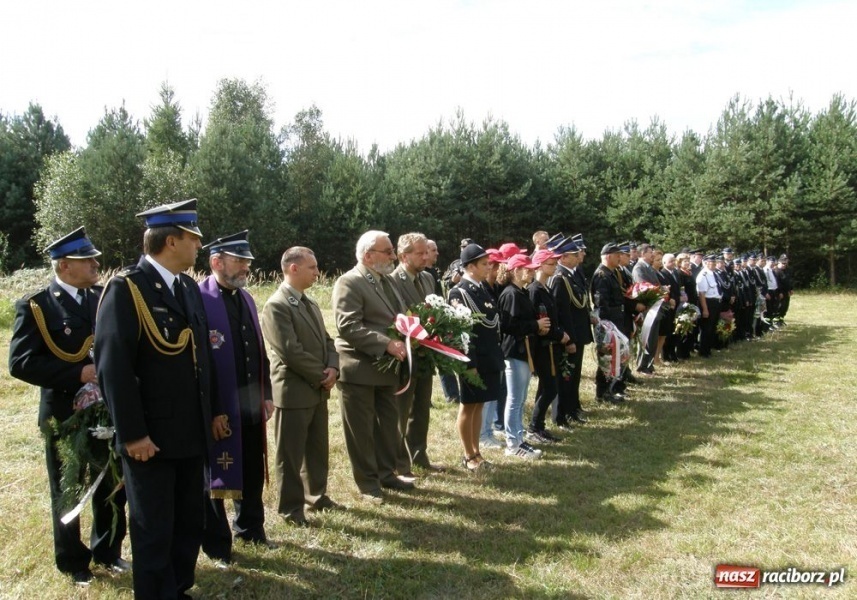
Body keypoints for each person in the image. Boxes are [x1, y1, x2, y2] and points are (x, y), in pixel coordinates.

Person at [95, 199, 226, 598]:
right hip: (150, 438)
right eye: (194, 239)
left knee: (189, 520)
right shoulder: (127, 289)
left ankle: (179, 587)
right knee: (154, 526)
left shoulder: (186, 286)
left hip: (190, 430)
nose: (199, 248)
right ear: (172, 241)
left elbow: (202, 356)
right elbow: (113, 368)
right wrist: (133, 434)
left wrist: (215, 410)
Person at [9, 227, 128, 586]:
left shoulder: (101, 297)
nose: (96, 264)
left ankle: (108, 550)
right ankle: (73, 562)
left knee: (111, 482)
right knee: (68, 488)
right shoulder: (38, 305)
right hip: (64, 415)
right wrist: (77, 374)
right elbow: (21, 363)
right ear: (63, 266)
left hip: (106, 410)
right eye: (86, 260)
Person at [198, 231, 273, 560]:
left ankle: (251, 529)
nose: (246, 267)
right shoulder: (200, 299)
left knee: (252, 469)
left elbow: (259, 352)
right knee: (215, 478)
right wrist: (212, 410)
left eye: (247, 261)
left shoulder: (247, 298)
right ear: (217, 262)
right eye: (239, 260)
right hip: (219, 408)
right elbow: (199, 364)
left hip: (250, 403)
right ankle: (217, 546)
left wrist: (266, 393)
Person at [261, 246, 343, 525]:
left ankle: (316, 496)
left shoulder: (308, 302)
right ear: (293, 268)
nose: (317, 273)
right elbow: (289, 352)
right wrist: (322, 375)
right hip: (294, 391)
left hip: (317, 389)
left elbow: (328, 341)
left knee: (317, 449)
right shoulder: (277, 305)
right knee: (291, 455)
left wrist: (333, 367)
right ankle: (290, 509)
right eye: (312, 268)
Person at [333, 230, 412, 504]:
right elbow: (348, 326)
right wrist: (386, 343)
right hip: (360, 368)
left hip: (386, 369)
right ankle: (368, 483)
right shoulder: (350, 282)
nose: (392, 256)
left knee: (388, 425)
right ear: (368, 256)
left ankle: (386, 474)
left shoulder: (386, 281)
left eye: (391, 251)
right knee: (361, 431)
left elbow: (399, 317)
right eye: (387, 251)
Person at [390, 233, 445, 475]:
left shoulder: (427, 279)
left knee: (422, 408)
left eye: (426, 252)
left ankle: (419, 455)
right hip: (405, 354)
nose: (426, 257)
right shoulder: (392, 281)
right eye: (420, 253)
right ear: (403, 256)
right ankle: (397, 463)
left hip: (426, 354)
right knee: (401, 411)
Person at [448, 243, 504, 471]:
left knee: (479, 405)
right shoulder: (459, 292)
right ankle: (468, 455)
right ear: (470, 267)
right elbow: (460, 331)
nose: (488, 267)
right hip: (473, 359)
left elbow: (491, 322)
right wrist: (469, 362)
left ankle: (476, 451)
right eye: (484, 264)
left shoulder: (482, 288)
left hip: (489, 354)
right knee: (468, 405)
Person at [499, 253, 549, 459]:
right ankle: (512, 443)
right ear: (515, 271)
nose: (531, 271)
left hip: (524, 350)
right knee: (515, 399)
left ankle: (519, 438)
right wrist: (534, 325)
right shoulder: (511, 294)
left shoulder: (520, 292)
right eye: (527, 268)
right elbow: (508, 326)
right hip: (515, 351)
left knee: (520, 399)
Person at [548, 238, 591, 427]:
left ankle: (572, 409)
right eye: (574, 255)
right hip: (568, 336)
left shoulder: (572, 275)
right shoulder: (559, 278)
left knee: (574, 376)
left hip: (578, 333)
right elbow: (561, 313)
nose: (578, 257)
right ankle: (560, 415)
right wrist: (568, 339)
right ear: (563, 258)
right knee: (565, 377)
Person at [527, 248, 567, 442]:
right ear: (540, 265)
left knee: (547, 387)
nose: (555, 267)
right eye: (551, 264)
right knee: (550, 388)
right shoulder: (534, 290)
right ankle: (534, 426)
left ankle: (539, 426)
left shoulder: (546, 289)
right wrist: (560, 335)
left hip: (551, 344)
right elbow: (538, 322)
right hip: (543, 346)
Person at [696, 254, 722, 358]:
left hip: (716, 302)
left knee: (712, 327)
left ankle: (708, 349)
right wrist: (705, 309)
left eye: (715, 262)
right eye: (712, 262)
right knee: (707, 328)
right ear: (706, 263)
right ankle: (703, 351)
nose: (715, 264)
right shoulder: (703, 275)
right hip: (708, 302)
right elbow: (701, 294)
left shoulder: (714, 274)